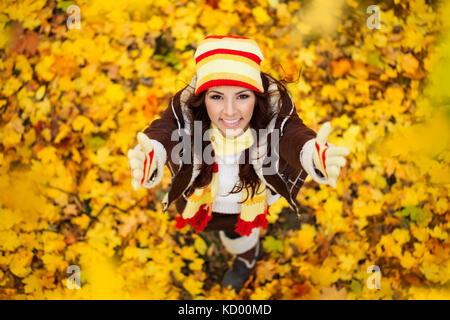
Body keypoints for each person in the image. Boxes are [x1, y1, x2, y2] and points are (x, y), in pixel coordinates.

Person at [127, 35, 350, 292]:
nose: (230, 112)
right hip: (202, 200)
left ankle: (246, 255)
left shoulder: (269, 115)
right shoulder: (189, 114)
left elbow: (290, 134)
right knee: (220, 228)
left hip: (249, 201)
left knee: (241, 231)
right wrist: (154, 151)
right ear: (203, 98)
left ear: (257, 97)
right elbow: (167, 129)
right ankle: (236, 242)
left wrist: (310, 153)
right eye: (217, 97)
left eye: (242, 96)